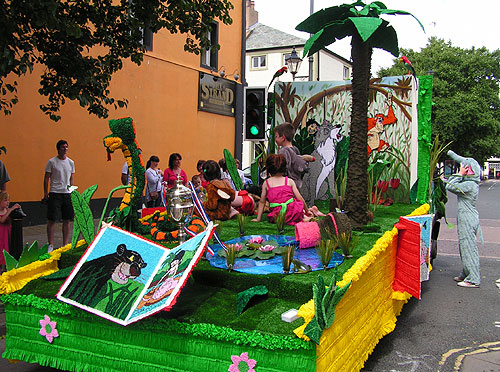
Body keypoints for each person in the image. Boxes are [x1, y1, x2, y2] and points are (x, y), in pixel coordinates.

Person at [252, 154, 324, 225]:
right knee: (297, 209)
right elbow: (300, 198)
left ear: (268, 169)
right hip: (292, 211)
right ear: (284, 168)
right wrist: (306, 210)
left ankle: (308, 214)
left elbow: (262, 202)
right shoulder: (289, 181)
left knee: (291, 212)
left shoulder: (266, 183)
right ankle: (309, 214)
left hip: (277, 214)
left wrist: (258, 218)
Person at [445, 150, 482, 288]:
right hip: (467, 217)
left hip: (468, 218)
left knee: (468, 247)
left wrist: (459, 174)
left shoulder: (469, 185)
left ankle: (473, 278)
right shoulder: (471, 184)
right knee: (465, 246)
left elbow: (450, 186)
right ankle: (467, 272)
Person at [43, 140, 75, 250]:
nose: (65, 149)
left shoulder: (71, 162)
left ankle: (65, 244)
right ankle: (50, 244)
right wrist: (45, 193)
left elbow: (71, 178)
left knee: (67, 220)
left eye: (66, 147)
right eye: (63, 147)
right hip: (55, 193)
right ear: (58, 148)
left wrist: (71, 190)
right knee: (52, 219)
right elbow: (46, 178)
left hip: (66, 194)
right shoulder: (52, 162)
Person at [274, 122, 314, 189]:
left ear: (283, 137)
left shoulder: (283, 151)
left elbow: (282, 168)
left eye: (276, 136)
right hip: (297, 183)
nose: (275, 139)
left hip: (287, 186)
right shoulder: (295, 149)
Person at [0, 192, 20, 272]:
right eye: (5, 200)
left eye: (8, 200)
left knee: (7, 249)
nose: (8, 202)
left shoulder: (7, 210)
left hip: (7, 234)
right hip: (1, 235)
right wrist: (11, 210)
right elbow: (2, 220)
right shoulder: (6, 211)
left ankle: (4, 266)